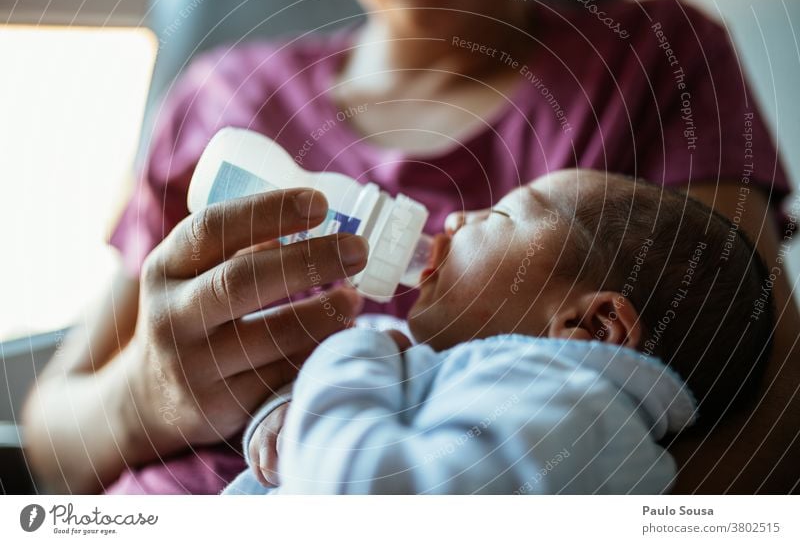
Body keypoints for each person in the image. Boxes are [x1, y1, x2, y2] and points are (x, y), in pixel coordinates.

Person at [22, 0, 798, 494]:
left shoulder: (654, 63)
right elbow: (52, 447)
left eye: (500, 211)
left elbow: (766, 413)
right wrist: (148, 399)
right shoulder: (216, 95)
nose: (445, 223)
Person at [226, 169, 772, 494]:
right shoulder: (540, 401)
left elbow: (359, 489)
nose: (459, 218)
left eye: (503, 217)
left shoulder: (562, 406)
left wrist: (348, 356)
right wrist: (288, 416)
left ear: (590, 326)